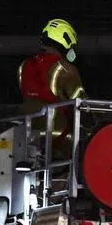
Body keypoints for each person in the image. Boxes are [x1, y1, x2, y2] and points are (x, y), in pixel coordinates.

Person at [18, 18, 87, 166]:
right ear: (65, 42)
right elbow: (84, 105)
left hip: (27, 139)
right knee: (59, 183)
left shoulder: (24, 67)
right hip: (58, 141)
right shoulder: (65, 70)